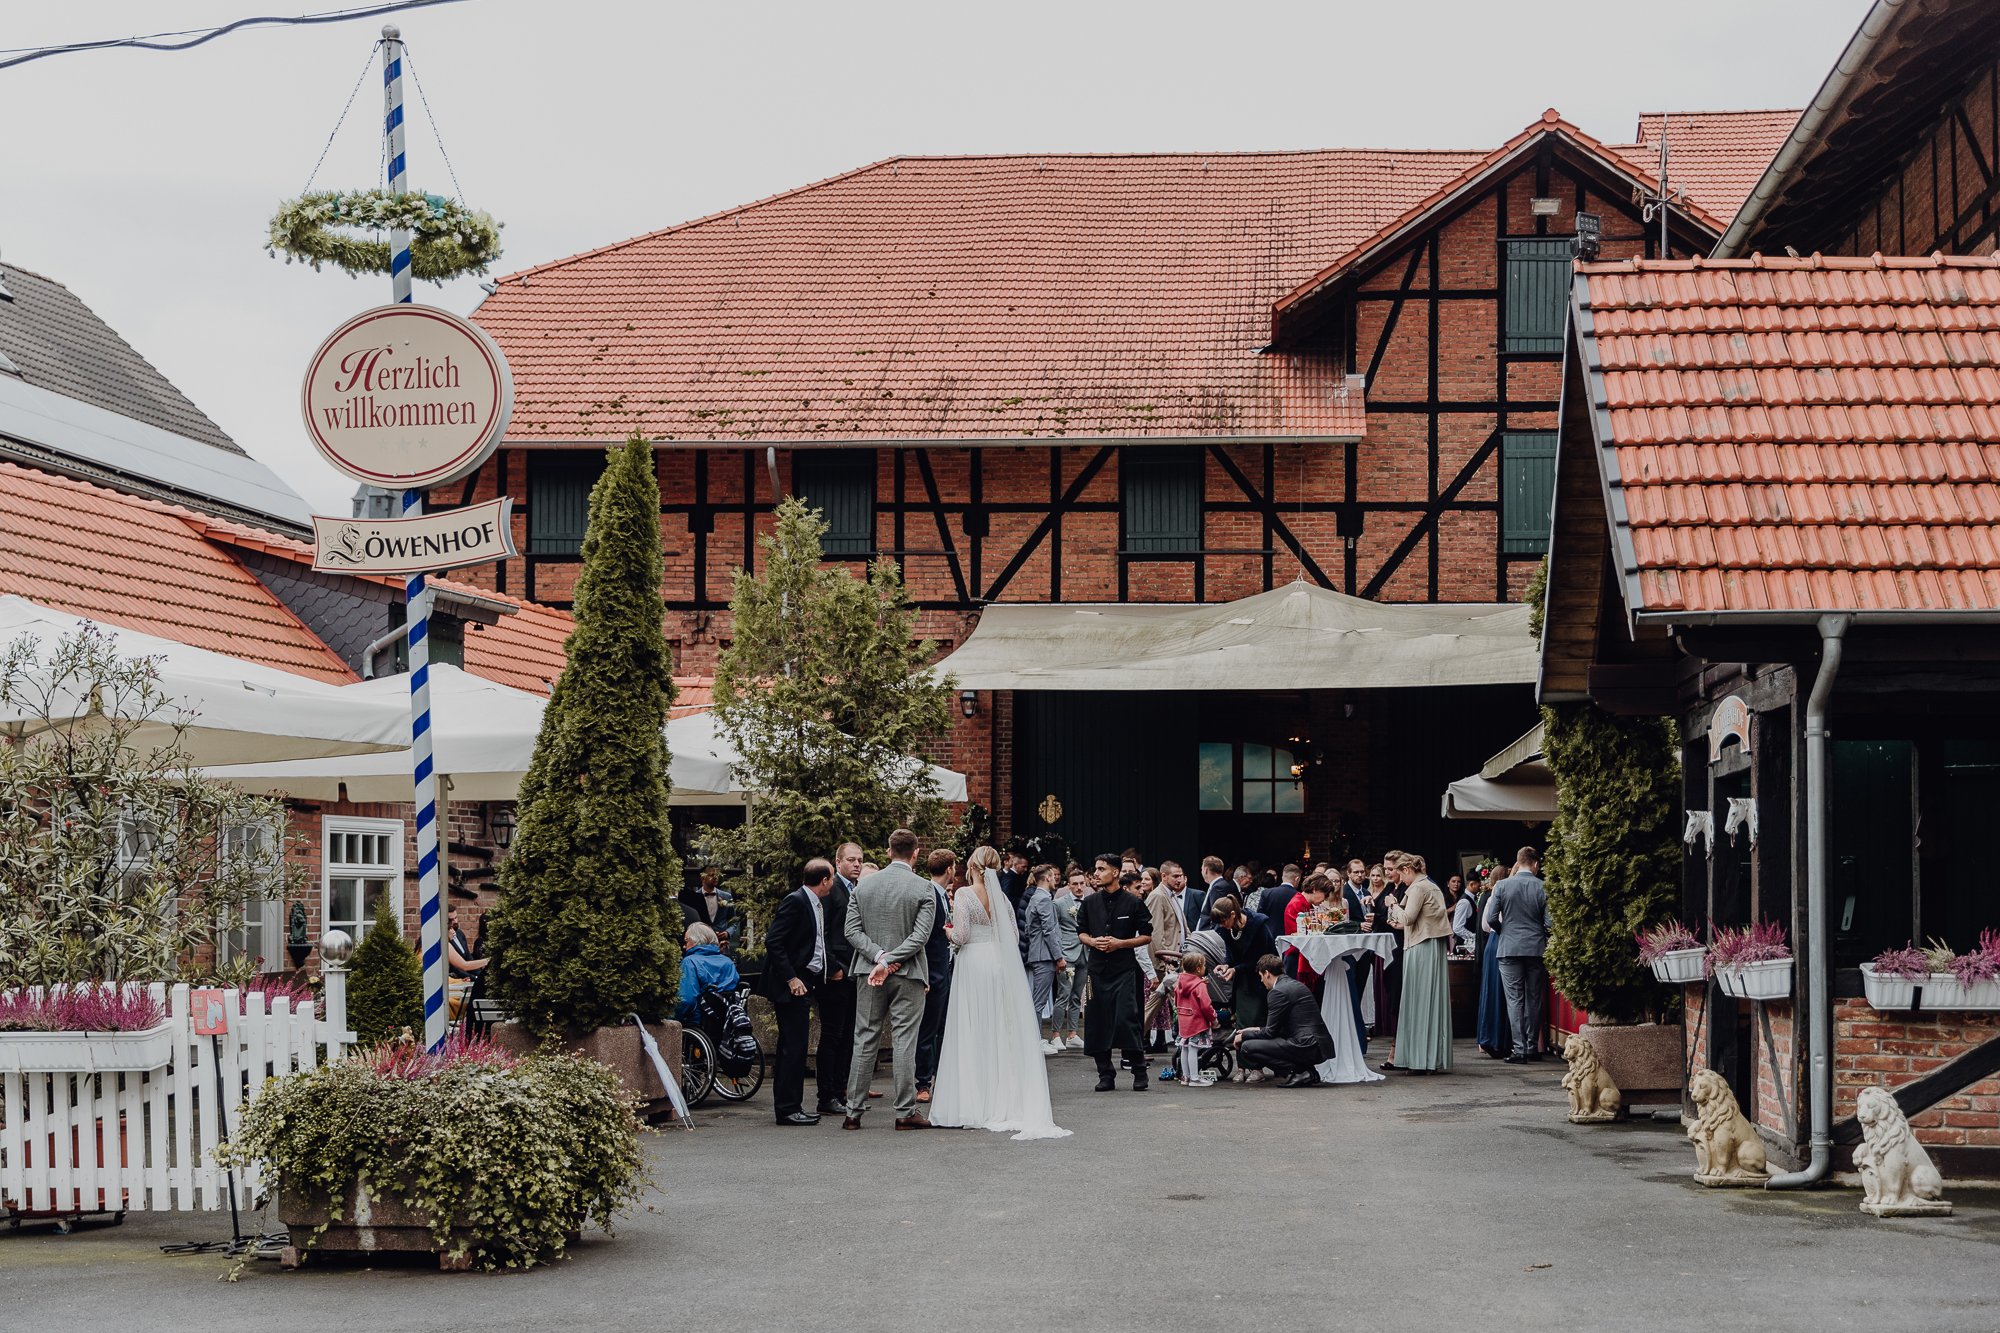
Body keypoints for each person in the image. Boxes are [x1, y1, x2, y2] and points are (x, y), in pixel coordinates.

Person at [926, 847, 1070, 1141]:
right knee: (998, 1029)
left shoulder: (966, 895)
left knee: (973, 1027)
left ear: (973, 866)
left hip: (974, 964)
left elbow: (962, 935)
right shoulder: (1002, 898)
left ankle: (974, 1100)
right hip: (999, 963)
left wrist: (947, 931)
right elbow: (1014, 936)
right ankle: (1003, 1098)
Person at [841, 828, 938, 1130]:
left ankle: (853, 1112)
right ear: (916, 852)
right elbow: (920, 937)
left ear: (888, 851)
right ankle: (904, 1111)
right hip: (908, 973)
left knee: (864, 1037)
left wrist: (879, 957)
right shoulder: (923, 888)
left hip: (868, 970)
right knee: (904, 1040)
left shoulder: (863, 887)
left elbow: (851, 931)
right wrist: (891, 960)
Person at [762, 858, 849, 1125]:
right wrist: (791, 978)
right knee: (793, 1047)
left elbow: (816, 943)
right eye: (832, 878)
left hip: (808, 980)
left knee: (796, 1046)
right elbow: (773, 940)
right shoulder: (796, 901)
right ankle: (788, 1109)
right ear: (824, 880)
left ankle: (792, 1105)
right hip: (792, 985)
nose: (833, 883)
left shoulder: (814, 902)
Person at [1078, 853, 1152, 1092]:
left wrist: (1120, 943)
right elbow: (1081, 932)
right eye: (1096, 869)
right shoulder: (1089, 903)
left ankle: (1139, 1071)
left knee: (1126, 1019)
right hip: (1096, 970)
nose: (1096, 873)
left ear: (1116, 872)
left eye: (1101, 869)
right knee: (1097, 1021)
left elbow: (1147, 935)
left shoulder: (1133, 902)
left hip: (1124, 970)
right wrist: (1092, 942)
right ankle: (1105, 1074)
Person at [1382, 853, 1452, 1074]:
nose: (1401, 880)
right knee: (1427, 1002)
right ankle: (1426, 1058)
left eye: (1401, 874)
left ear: (1407, 870)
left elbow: (1408, 918)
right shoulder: (1430, 886)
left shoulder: (1419, 887)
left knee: (1420, 1002)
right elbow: (1419, 921)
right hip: (1427, 946)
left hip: (1421, 948)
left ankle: (1420, 1060)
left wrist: (1392, 905)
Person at [1232, 954, 1337, 1087]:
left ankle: (1299, 1072)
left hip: (1306, 1045)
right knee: (1253, 1041)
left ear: (1267, 973)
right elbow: (1279, 1027)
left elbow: (1270, 1033)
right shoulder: (1294, 984)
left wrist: (1243, 1035)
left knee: (1247, 1047)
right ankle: (1306, 1071)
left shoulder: (1277, 992)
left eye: (1261, 976)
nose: (1261, 981)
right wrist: (1254, 1029)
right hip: (1318, 1044)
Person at [1490, 846, 1550, 1064]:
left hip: (1509, 947)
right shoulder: (1543, 887)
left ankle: (1519, 1049)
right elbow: (1550, 923)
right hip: (1536, 948)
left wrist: (1504, 931)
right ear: (1535, 864)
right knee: (1534, 998)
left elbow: (1490, 918)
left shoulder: (1502, 886)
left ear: (1519, 861)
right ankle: (1532, 1047)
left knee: (1515, 999)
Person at [915, 847, 964, 1104]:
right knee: (927, 1029)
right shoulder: (929, 895)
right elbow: (922, 939)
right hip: (931, 973)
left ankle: (940, 1078)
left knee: (943, 1027)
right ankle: (922, 1082)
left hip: (945, 968)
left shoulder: (943, 895)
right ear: (949, 869)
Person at [1208, 893, 1279, 1059]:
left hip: (1263, 978)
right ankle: (1243, 1066)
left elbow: (1261, 960)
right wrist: (1226, 965)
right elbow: (1230, 954)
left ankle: (1257, 1065)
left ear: (1233, 914)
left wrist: (1235, 970)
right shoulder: (1226, 929)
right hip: (1242, 980)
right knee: (1241, 1021)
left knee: (1258, 1018)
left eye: (1224, 921)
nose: (1222, 926)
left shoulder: (1258, 925)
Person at [1021, 860, 1063, 1054]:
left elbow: (1029, 928)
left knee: (1038, 999)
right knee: (1038, 1001)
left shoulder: (1034, 898)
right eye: (1053, 877)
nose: (1055, 880)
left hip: (1037, 952)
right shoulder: (1044, 899)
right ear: (1047, 878)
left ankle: (1034, 1038)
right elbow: (1049, 930)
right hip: (1044, 955)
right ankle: (1034, 1040)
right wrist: (1058, 957)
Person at [1142, 866, 1184, 1049]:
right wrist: (1164, 958)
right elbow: (1155, 931)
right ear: (1164, 876)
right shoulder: (1158, 896)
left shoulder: (1171, 895)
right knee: (1158, 1004)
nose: (1179, 879)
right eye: (1175, 876)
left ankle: (1140, 1040)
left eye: (1181, 876)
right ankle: (1135, 1040)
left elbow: (1180, 926)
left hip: (1175, 957)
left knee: (1157, 1004)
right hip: (1166, 961)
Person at [1474, 867, 1513, 1059]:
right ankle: (1499, 1039)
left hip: (1492, 942)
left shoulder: (1491, 896)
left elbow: (1484, 926)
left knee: (1491, 991)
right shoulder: (1498, 896)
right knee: (1500, 992)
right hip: (1500, 940)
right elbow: (1488, 923)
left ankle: (1489, 1037)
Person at [1052, 865, 1088, 1049]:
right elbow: (1053, 929)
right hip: (1067, 953)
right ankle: (1056, 1035)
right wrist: (1058, 955)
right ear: (1069, 885)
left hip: (1085, 953)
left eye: (1082, 883)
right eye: (1075, 884)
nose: (1079, 887)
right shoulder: (1059, 904)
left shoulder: (1090, 901)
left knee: (1077, 995)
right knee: (1063, 994)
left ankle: (1073, 1034)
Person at [676, 922, 740, 1025]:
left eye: (686, 941)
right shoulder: (728, 962)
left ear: (695, 941)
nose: (684, 946)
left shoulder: (690, 962)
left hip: (698, 1023)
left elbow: (686, 1000)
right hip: (726, 1022)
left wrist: (671, 1018)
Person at [1173, 952, 1219, 1086]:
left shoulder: (1180, 982)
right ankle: (1195, 1078)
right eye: (1204, 965)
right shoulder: (1200, 985)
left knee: (1185, 1048)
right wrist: (1214, 1019)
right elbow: (1206, 1005)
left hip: (1184, 1021)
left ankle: (1186, 1077)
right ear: (1199, 968)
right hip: (1197, 1021)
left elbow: (1176, 1000)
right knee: (1193, 1048)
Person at [678, 866, 737, 949]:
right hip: (700, 942)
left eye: (717, 875)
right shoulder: (693, 898)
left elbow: (734, 921)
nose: (715, 877)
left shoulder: (727, 896)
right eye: (711, 875)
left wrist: (727, 933)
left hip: (722, 943)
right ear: (702, 878)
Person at [1195, 855, 1231, 930]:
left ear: (1206, 870)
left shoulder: (1217, 888)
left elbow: (1217, 917)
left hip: (1210, 936)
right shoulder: (1221, 885)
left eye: (1201, 869)